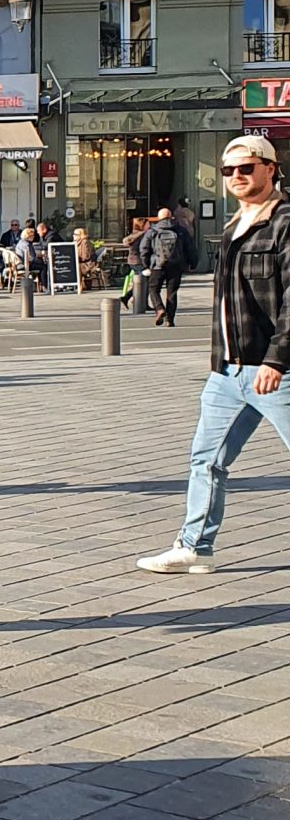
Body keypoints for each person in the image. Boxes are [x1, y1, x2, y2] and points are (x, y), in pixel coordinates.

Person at [137, 135, 290, 577]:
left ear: (270, 168)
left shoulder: (284, 222)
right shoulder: (233, 225)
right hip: (228, 371)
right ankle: (194, 547)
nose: (238, 177)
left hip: (273, 368)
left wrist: (277, 359)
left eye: (247, 168)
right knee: (206, 459)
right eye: (229, 171)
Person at [145, 205, 192, 328]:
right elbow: (190, 248)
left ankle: (159, 308)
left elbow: (144, 249)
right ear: (171, 217)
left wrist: (147, 264)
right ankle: (169, 320)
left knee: (153, 289)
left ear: (158, 218)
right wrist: (192, 263)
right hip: (176, 265)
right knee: (172, 293)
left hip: (157, 265)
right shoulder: (180, 230)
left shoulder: (153, 231)